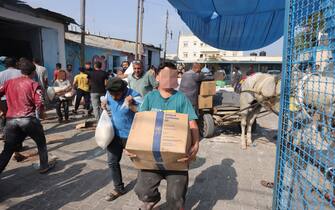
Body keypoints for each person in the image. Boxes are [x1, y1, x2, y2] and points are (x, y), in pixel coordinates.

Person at [130, 62, 200, 210]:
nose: (169, 79)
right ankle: (153, 199)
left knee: (175, 199)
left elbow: (192, 124)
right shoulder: (150, 98)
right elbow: (140, 124)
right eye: (166, 76)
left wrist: (196, 144)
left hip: (176, 160)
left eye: (173, 76)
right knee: (142, 191)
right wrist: (132, 148)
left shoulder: (181, 99)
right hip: (151, 160)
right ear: (157, 77)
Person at [0, 59, 56, 174]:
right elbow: (39, 103)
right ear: (33, 72)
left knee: (7, 149)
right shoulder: (34, 84)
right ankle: (44, 166)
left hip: (11, 120)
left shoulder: (9, 83)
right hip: (28, 119)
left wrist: (2, 110)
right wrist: (41, 115)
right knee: (41, 142)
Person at [101, 77, 141, 201]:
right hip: (114, 134)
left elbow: (143, 112)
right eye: (111, 94)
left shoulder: (134, 95)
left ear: (123, 90)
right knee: (112, 162)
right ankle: (118, 188)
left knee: (140, 162)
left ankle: (143, 187)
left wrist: (132, 104)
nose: (113, 97)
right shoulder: (109, 92)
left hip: (132, 136)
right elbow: (106, 100)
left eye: (116, 95)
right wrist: (103, 104)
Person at [0, 57, 25, 161]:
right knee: (18, 123)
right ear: (15, 64)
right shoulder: (20, 72)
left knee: (7, 122)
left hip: (4, 100)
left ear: (5, 65)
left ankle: (10, 144)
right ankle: (17, 148)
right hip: (17, 100)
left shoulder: (1, 74)